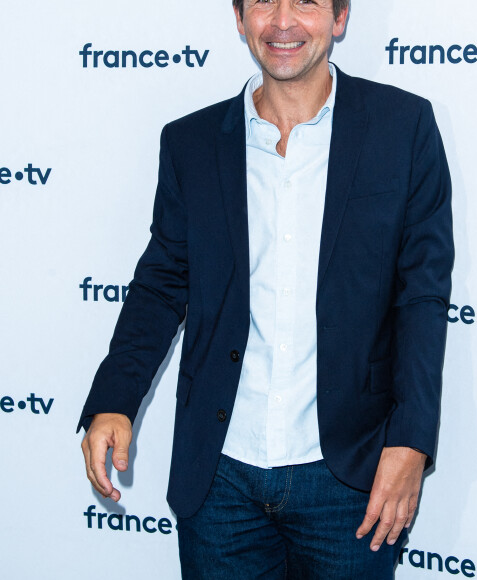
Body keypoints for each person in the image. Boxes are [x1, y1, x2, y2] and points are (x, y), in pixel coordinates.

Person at [79, 1, 453, 578]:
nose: (283, 21)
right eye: (262, 1)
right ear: (238, 18)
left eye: (305, 0)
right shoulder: (190, 143)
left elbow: (422, 297)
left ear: (340, 17)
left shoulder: (403, 129)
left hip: (351, 476)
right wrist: (115, 398)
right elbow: (161, 282)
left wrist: (411, 441)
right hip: (221, 478)